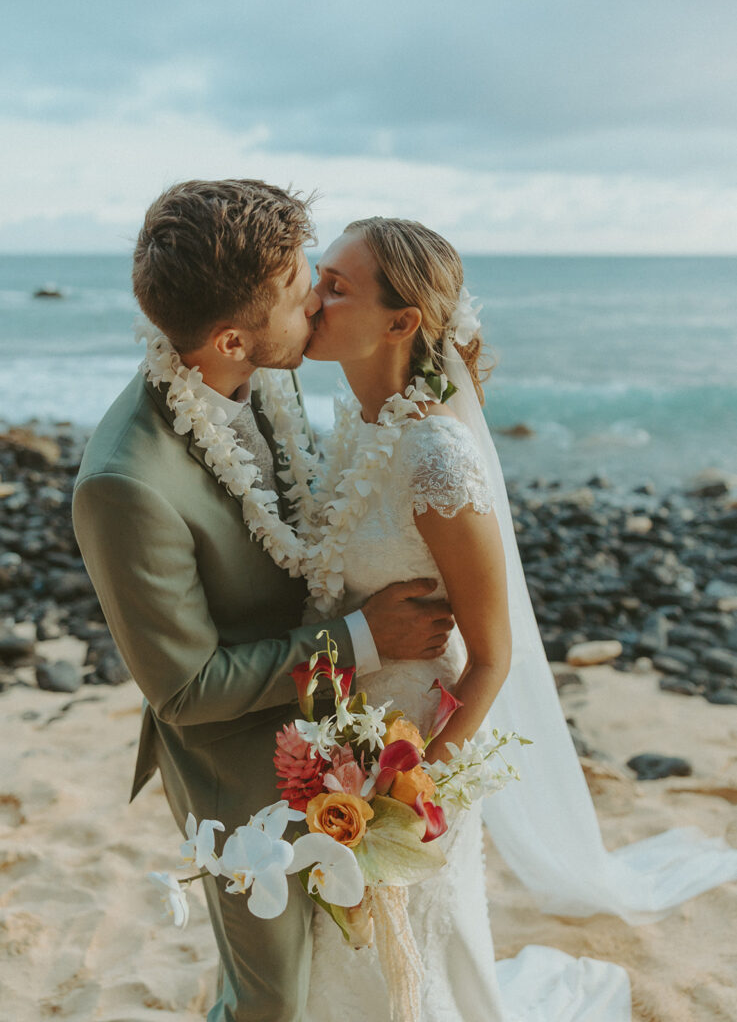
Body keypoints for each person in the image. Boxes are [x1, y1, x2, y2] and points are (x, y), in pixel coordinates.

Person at [296, 216, 737, 1021]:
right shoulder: (354, 423)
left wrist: (415, 786)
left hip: (418, 738)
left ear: (399, 323)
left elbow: (492, 655)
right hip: (340, 725)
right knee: (344, 946)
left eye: (335, 286)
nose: (310, 298)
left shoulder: (435, 455)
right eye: (316, 277)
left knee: (413, 944)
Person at [71, 182, 456, 1022]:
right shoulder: (124, 484)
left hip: (343, 727)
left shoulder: (264, 373)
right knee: (271, 998)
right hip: (239, 769)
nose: (317, 296)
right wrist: (363, 636)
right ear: (231, 338)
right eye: (297, 289)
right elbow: (185, 689)